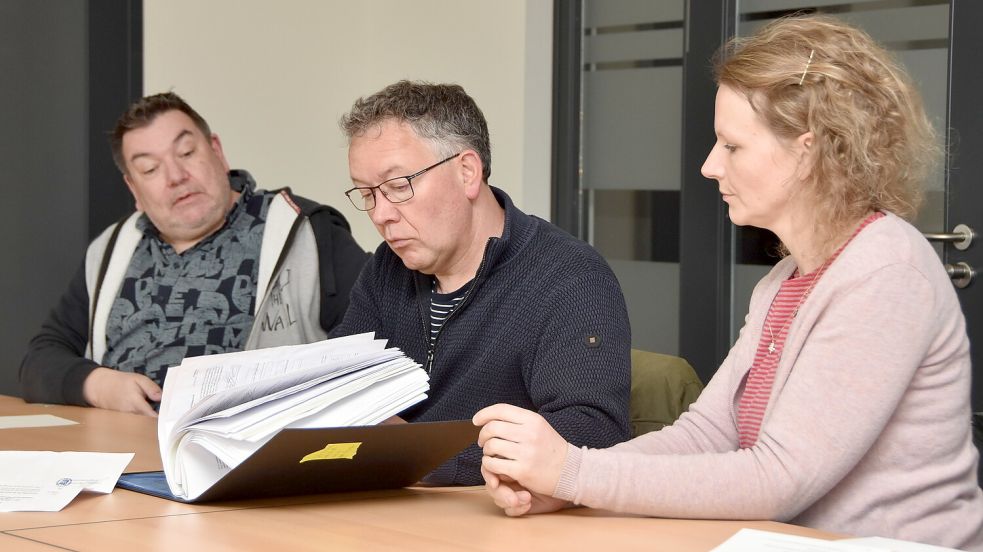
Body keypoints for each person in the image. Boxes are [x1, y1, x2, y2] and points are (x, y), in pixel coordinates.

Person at [473, 15, 983, 550]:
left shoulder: (886, 272)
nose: (709, 166)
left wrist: (573, 473)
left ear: (807, 153)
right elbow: (707, 436)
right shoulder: (787, 279)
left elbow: (777, 480)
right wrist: (566, 486)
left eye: (732, 146)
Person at [332, 80, 631, 486]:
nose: (381, 214)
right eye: (367, 194)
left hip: (497, 519)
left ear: (467, 172)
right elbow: (336, 389)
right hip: (389, 506)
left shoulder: (570, 278)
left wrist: (412, 453)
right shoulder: (387, 268)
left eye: (399, 186)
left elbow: (591, 435)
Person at [20, 92, 369, 416]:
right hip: (124, 452)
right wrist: (97, 385)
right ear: (133, 188)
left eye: (186, 153)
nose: (176, 176)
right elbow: (40, 359)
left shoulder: (303, 231)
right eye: (149, 169)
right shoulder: (113, 249)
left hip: (250, 455)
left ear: (216, 151)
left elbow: (375, 345)